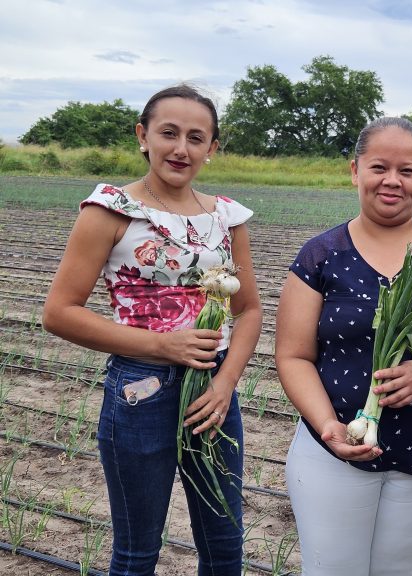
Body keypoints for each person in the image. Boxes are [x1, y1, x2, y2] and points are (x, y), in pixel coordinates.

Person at [42, 84, 263, 576]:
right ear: (143, 136)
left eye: (196, 137)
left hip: (213, 390)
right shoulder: (111, 210)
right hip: (141, 391)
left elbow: (248, 310)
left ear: (212, 148)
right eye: (168, 133)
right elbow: (59, 311)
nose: (180, 148)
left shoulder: (227, 218)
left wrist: (226, 384)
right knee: (137, 553)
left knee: (225, 546)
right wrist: (161, 344)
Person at [275, 116, 412, 575]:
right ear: (355, 171)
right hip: (332, 451)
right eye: (378, 167)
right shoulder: (321, 255)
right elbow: (293, 356)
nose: (392, 180)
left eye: (406, 170)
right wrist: (329, 427)